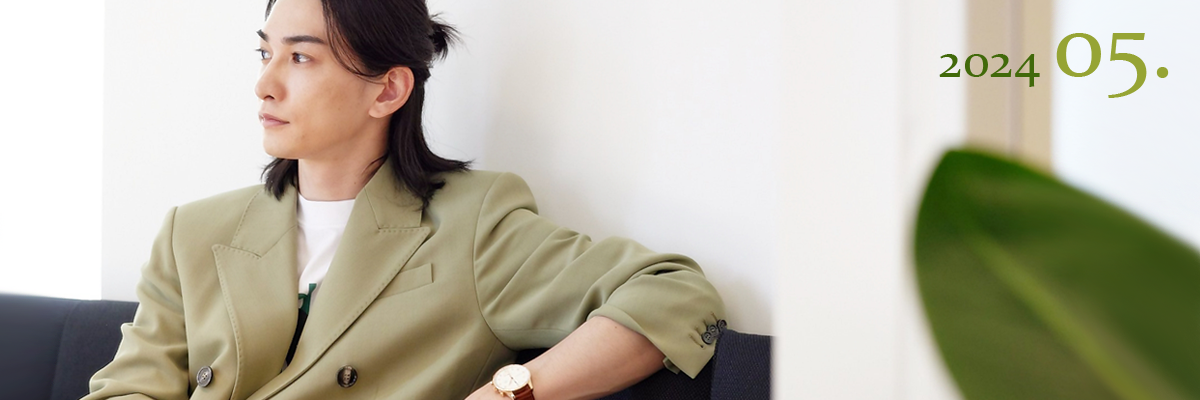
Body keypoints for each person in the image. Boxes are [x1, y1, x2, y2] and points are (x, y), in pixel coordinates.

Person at [84, 0, 726, 398]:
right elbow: (127, 390)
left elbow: (674, 295)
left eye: (301, 59)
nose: (264, 84)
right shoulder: (194, 232)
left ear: (388, 90)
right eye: (264, 52)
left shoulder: (472, 225)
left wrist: (511, 393)